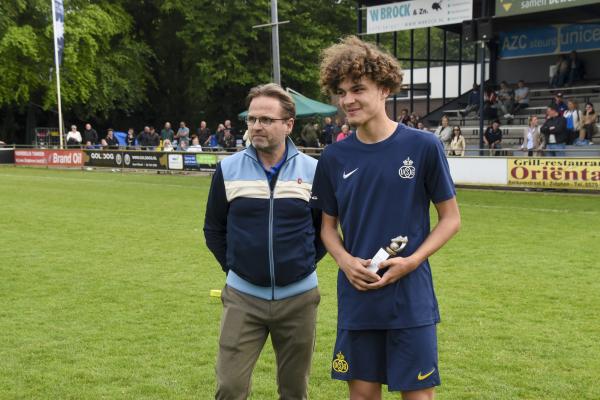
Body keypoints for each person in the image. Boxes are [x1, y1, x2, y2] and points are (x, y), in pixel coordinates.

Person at [311, 35, 460, 400]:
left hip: (410, 297)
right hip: (358, 294)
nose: (347, 99)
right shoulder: (334, 157)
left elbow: (450, 219)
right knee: (362, 396)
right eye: (341, 91)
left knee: (418, 397)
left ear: (385, 89)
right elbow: (326, 228)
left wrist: (411, 262)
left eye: (357, 89)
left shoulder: (423, 146)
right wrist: (346, 262)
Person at [204, 83, 325, 400]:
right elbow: (213, 229)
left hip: (299, 299)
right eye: (252, 119)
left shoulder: (314, 171)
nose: (257, 126)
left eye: (266, 119)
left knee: (294, 390)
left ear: (289, 124)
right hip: (243, 297)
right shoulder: (228, 169)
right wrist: (235, 267)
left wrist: (302, 264)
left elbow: (324, 230)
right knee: (230, 387)